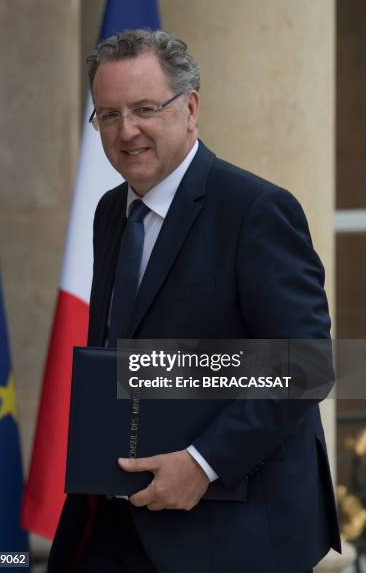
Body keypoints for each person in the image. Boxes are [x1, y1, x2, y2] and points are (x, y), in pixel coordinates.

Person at [48, 29, 341, 573]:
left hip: (228, 529)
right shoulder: (111, 212)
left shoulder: (255, 209)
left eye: (143, 109)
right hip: (113, 519)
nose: (125, 130)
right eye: (107, 115)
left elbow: (306, 364)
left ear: (190, 109)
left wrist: (203, 464)